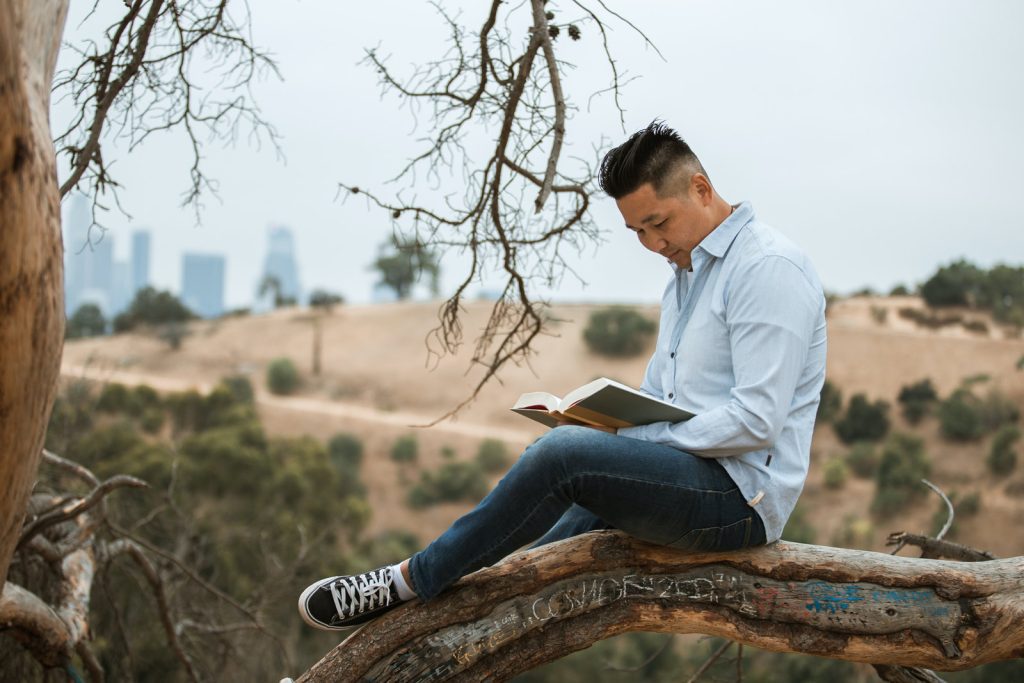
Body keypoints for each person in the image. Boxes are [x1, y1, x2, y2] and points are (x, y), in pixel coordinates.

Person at [298, 121, 827, 631]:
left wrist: (631, 436)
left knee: (562, 456)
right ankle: (396, 636)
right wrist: (610, 422)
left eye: (658, 223)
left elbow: (756, 423)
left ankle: (404, 580)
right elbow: (664, 397)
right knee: (521, 570)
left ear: (701, 189)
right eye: (636, 231)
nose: (650, 244)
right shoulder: (685, 278)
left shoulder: (767, 269)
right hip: (684, 477)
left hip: (739, 503)